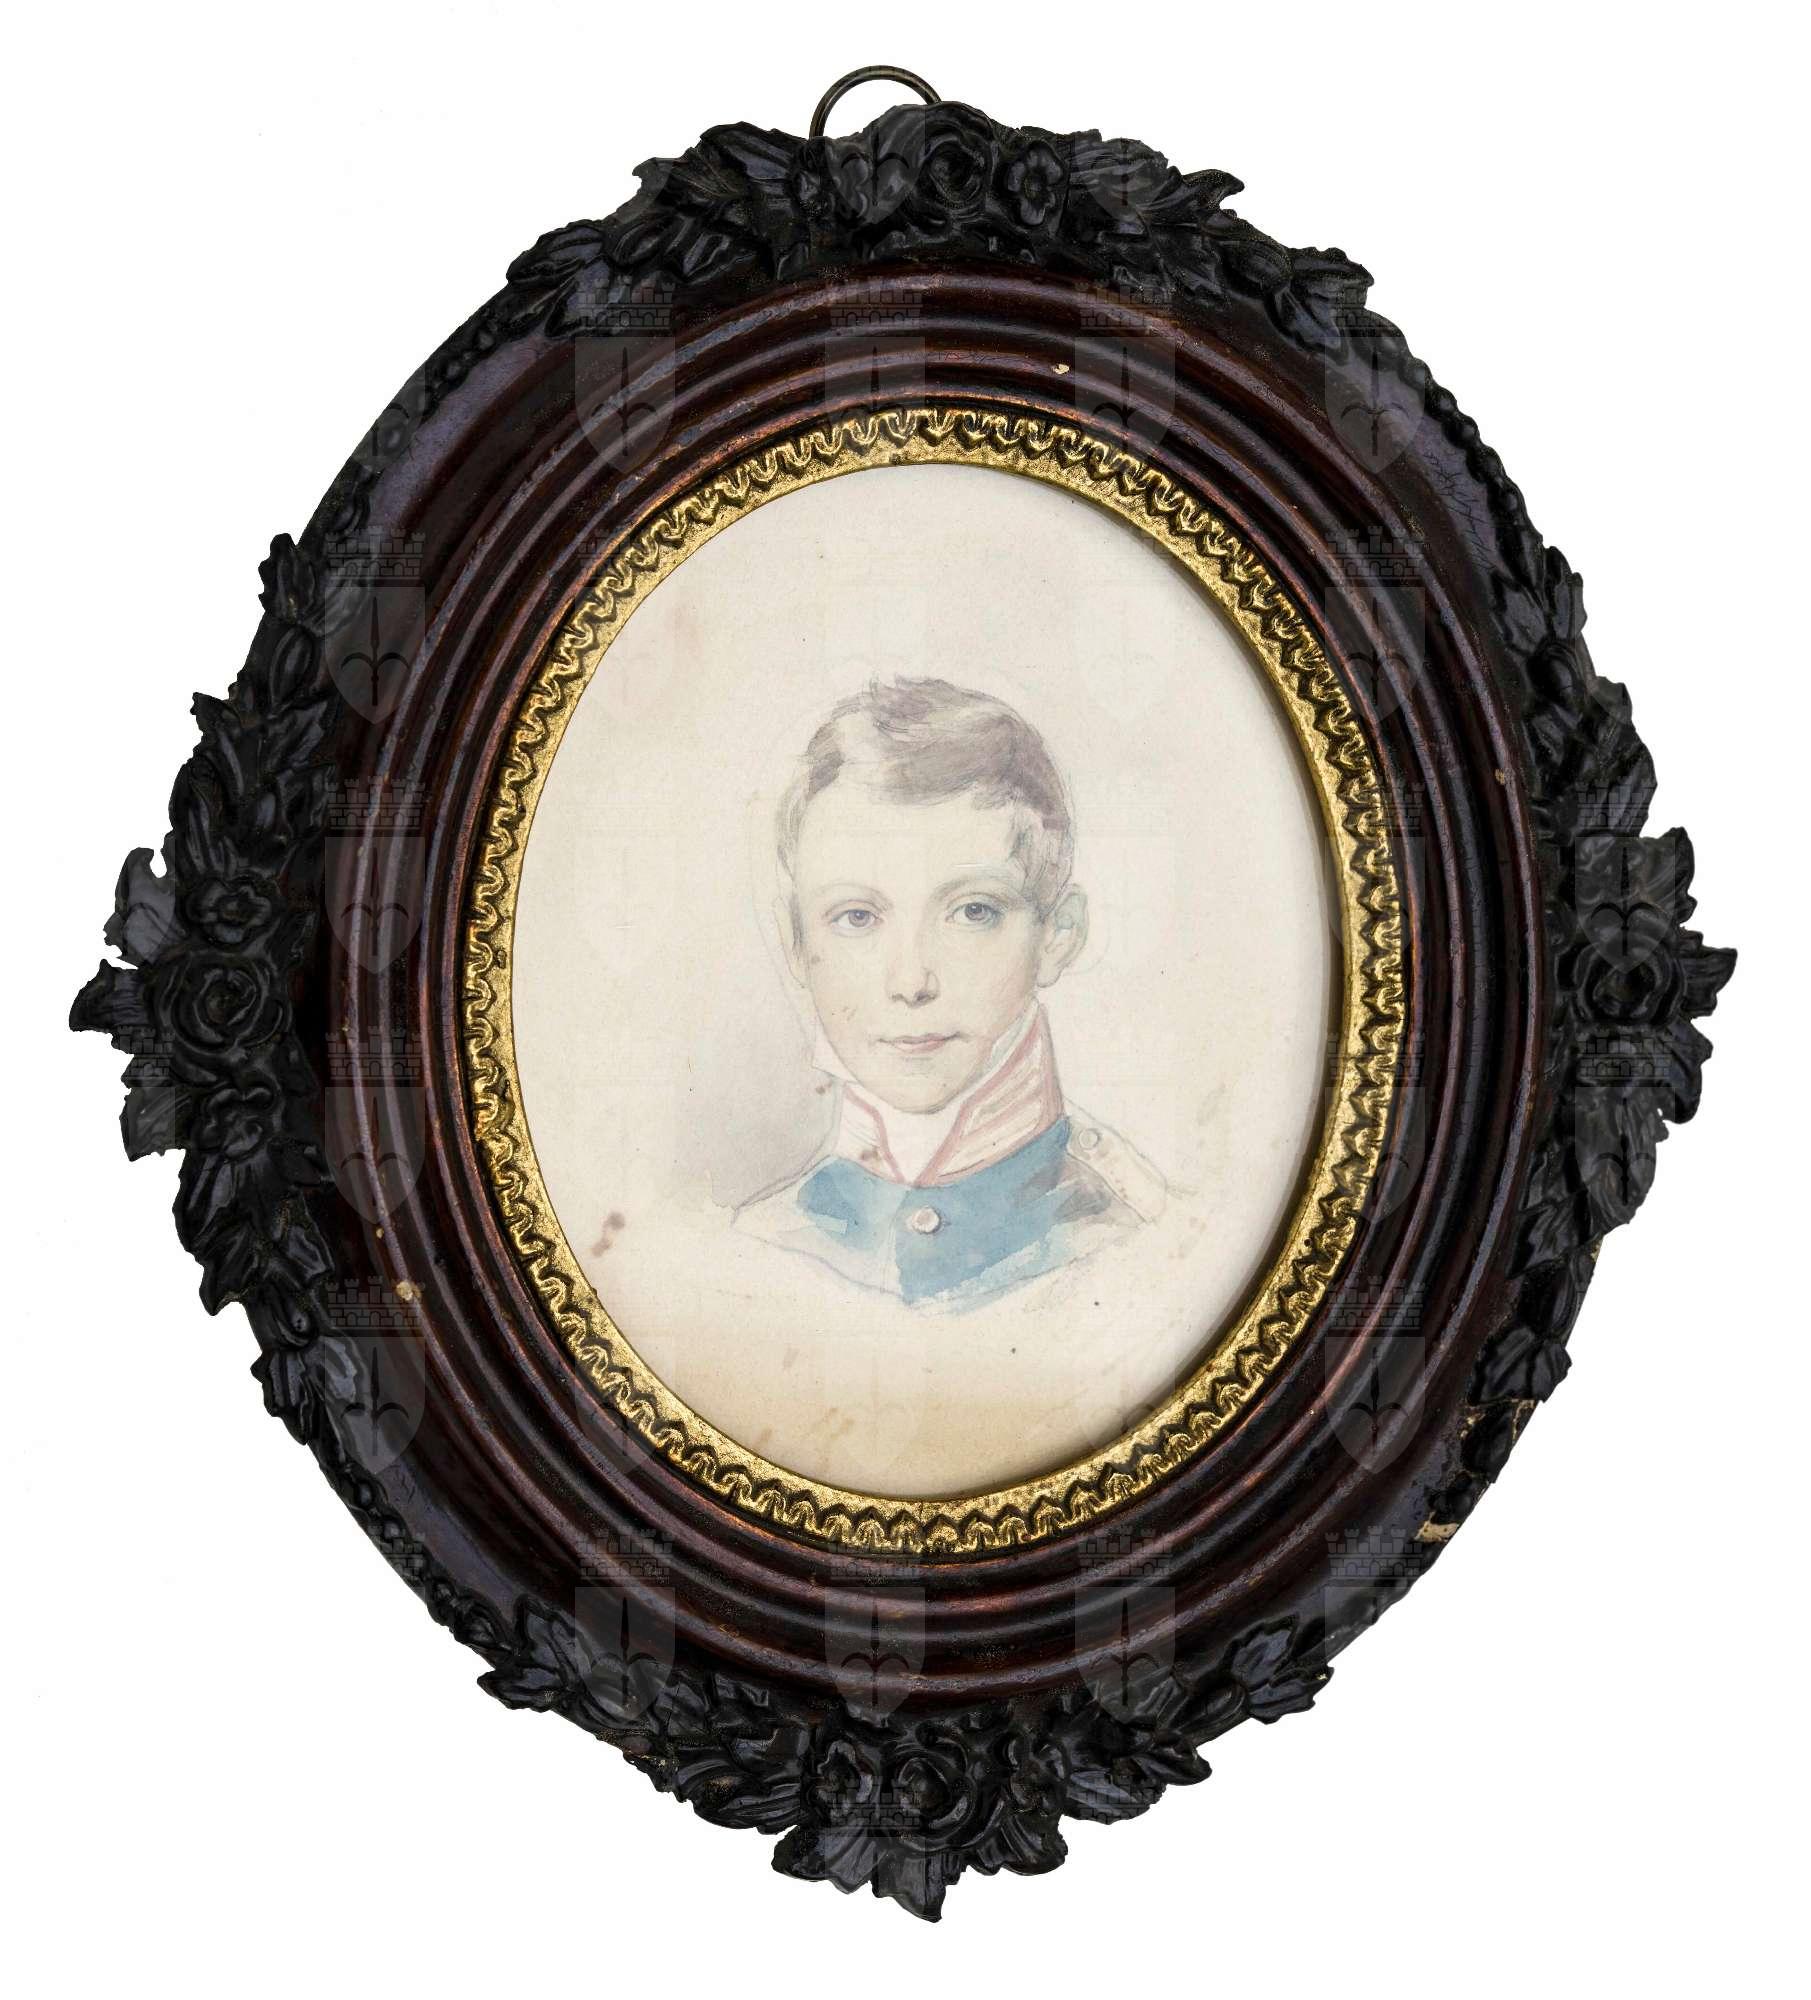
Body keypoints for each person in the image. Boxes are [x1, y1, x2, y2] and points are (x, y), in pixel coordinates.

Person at [735, 677, 1164, 1310]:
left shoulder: (1148, 1244)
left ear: (1059, 934)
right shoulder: (749, 1253)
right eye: (856, 917)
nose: (911, 983)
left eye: (972, 912)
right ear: (797, 944)